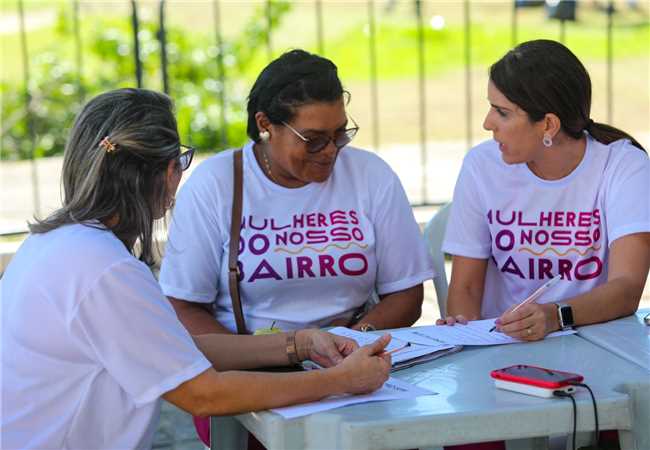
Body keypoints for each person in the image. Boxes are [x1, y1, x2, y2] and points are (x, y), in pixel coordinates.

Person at [0, 88, 393, 450]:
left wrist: (301, 343)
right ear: (168, 171)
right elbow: (204, 393)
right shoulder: (105, 269)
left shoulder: (57, 242)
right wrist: (339, 381)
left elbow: (168, 347)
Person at [160, 49, 433, 336]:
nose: (330, 151)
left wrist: (352, 341)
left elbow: (407, 294)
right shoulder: (215, 184)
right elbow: (182, 307)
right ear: (265, 125)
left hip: (353, 356)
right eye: (313, 140)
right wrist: (267, 356)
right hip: (252, 368)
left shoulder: (371, 175)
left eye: (340, 134)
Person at [439, 39, 650, 342]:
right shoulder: (481, 165)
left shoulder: (624, 164)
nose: (487, 123)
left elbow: (627, 288)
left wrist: (555, 316)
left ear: (548, 125)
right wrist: (468, 337)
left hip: (598, 343)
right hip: (500, 346)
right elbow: (466, 289)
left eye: (502, 112)